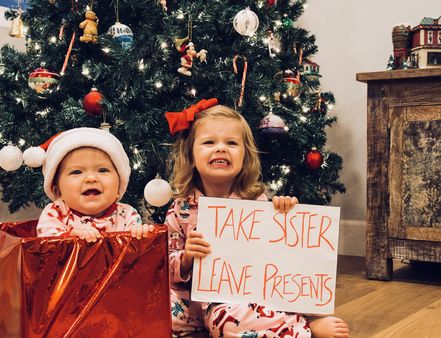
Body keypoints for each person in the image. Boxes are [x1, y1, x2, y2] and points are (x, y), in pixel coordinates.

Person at [165, 99, 349, 338]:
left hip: (235, 299)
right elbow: (165, 266)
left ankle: (303, 329)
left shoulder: (256, 202)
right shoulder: (179, 209)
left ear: (245, 157)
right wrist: (187, 258)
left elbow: (278, 259)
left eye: (231, 143)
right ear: (190, 156)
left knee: (230, 323)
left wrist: (284, 211)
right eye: (209, 142)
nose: (220, 148)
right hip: (188, 301)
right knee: (151, 307)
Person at [29, 127, 152, 241]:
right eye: (77, 172)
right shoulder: (56, 213)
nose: (91, 178)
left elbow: (136, 257)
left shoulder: (127, 214)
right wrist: (68, 238)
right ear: (58, 192)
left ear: (119, 188)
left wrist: (140, 235)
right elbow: (46, 247)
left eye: (103, 170)